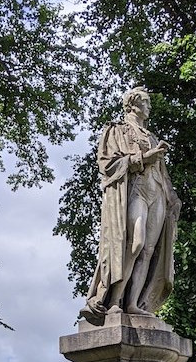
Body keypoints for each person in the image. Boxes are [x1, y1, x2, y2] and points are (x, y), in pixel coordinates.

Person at [79, 87, 181, 326]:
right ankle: (114, 300)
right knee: (134, 244)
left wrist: (173, 199)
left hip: (157, 193)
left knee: (147, 250)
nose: (150, 106)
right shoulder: (116, 130)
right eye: (146, 101)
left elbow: (163, 174)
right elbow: (108, 165)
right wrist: (144, 158)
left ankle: (134, 303)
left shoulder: (152, 137)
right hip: (136, 190)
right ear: (132, 104)